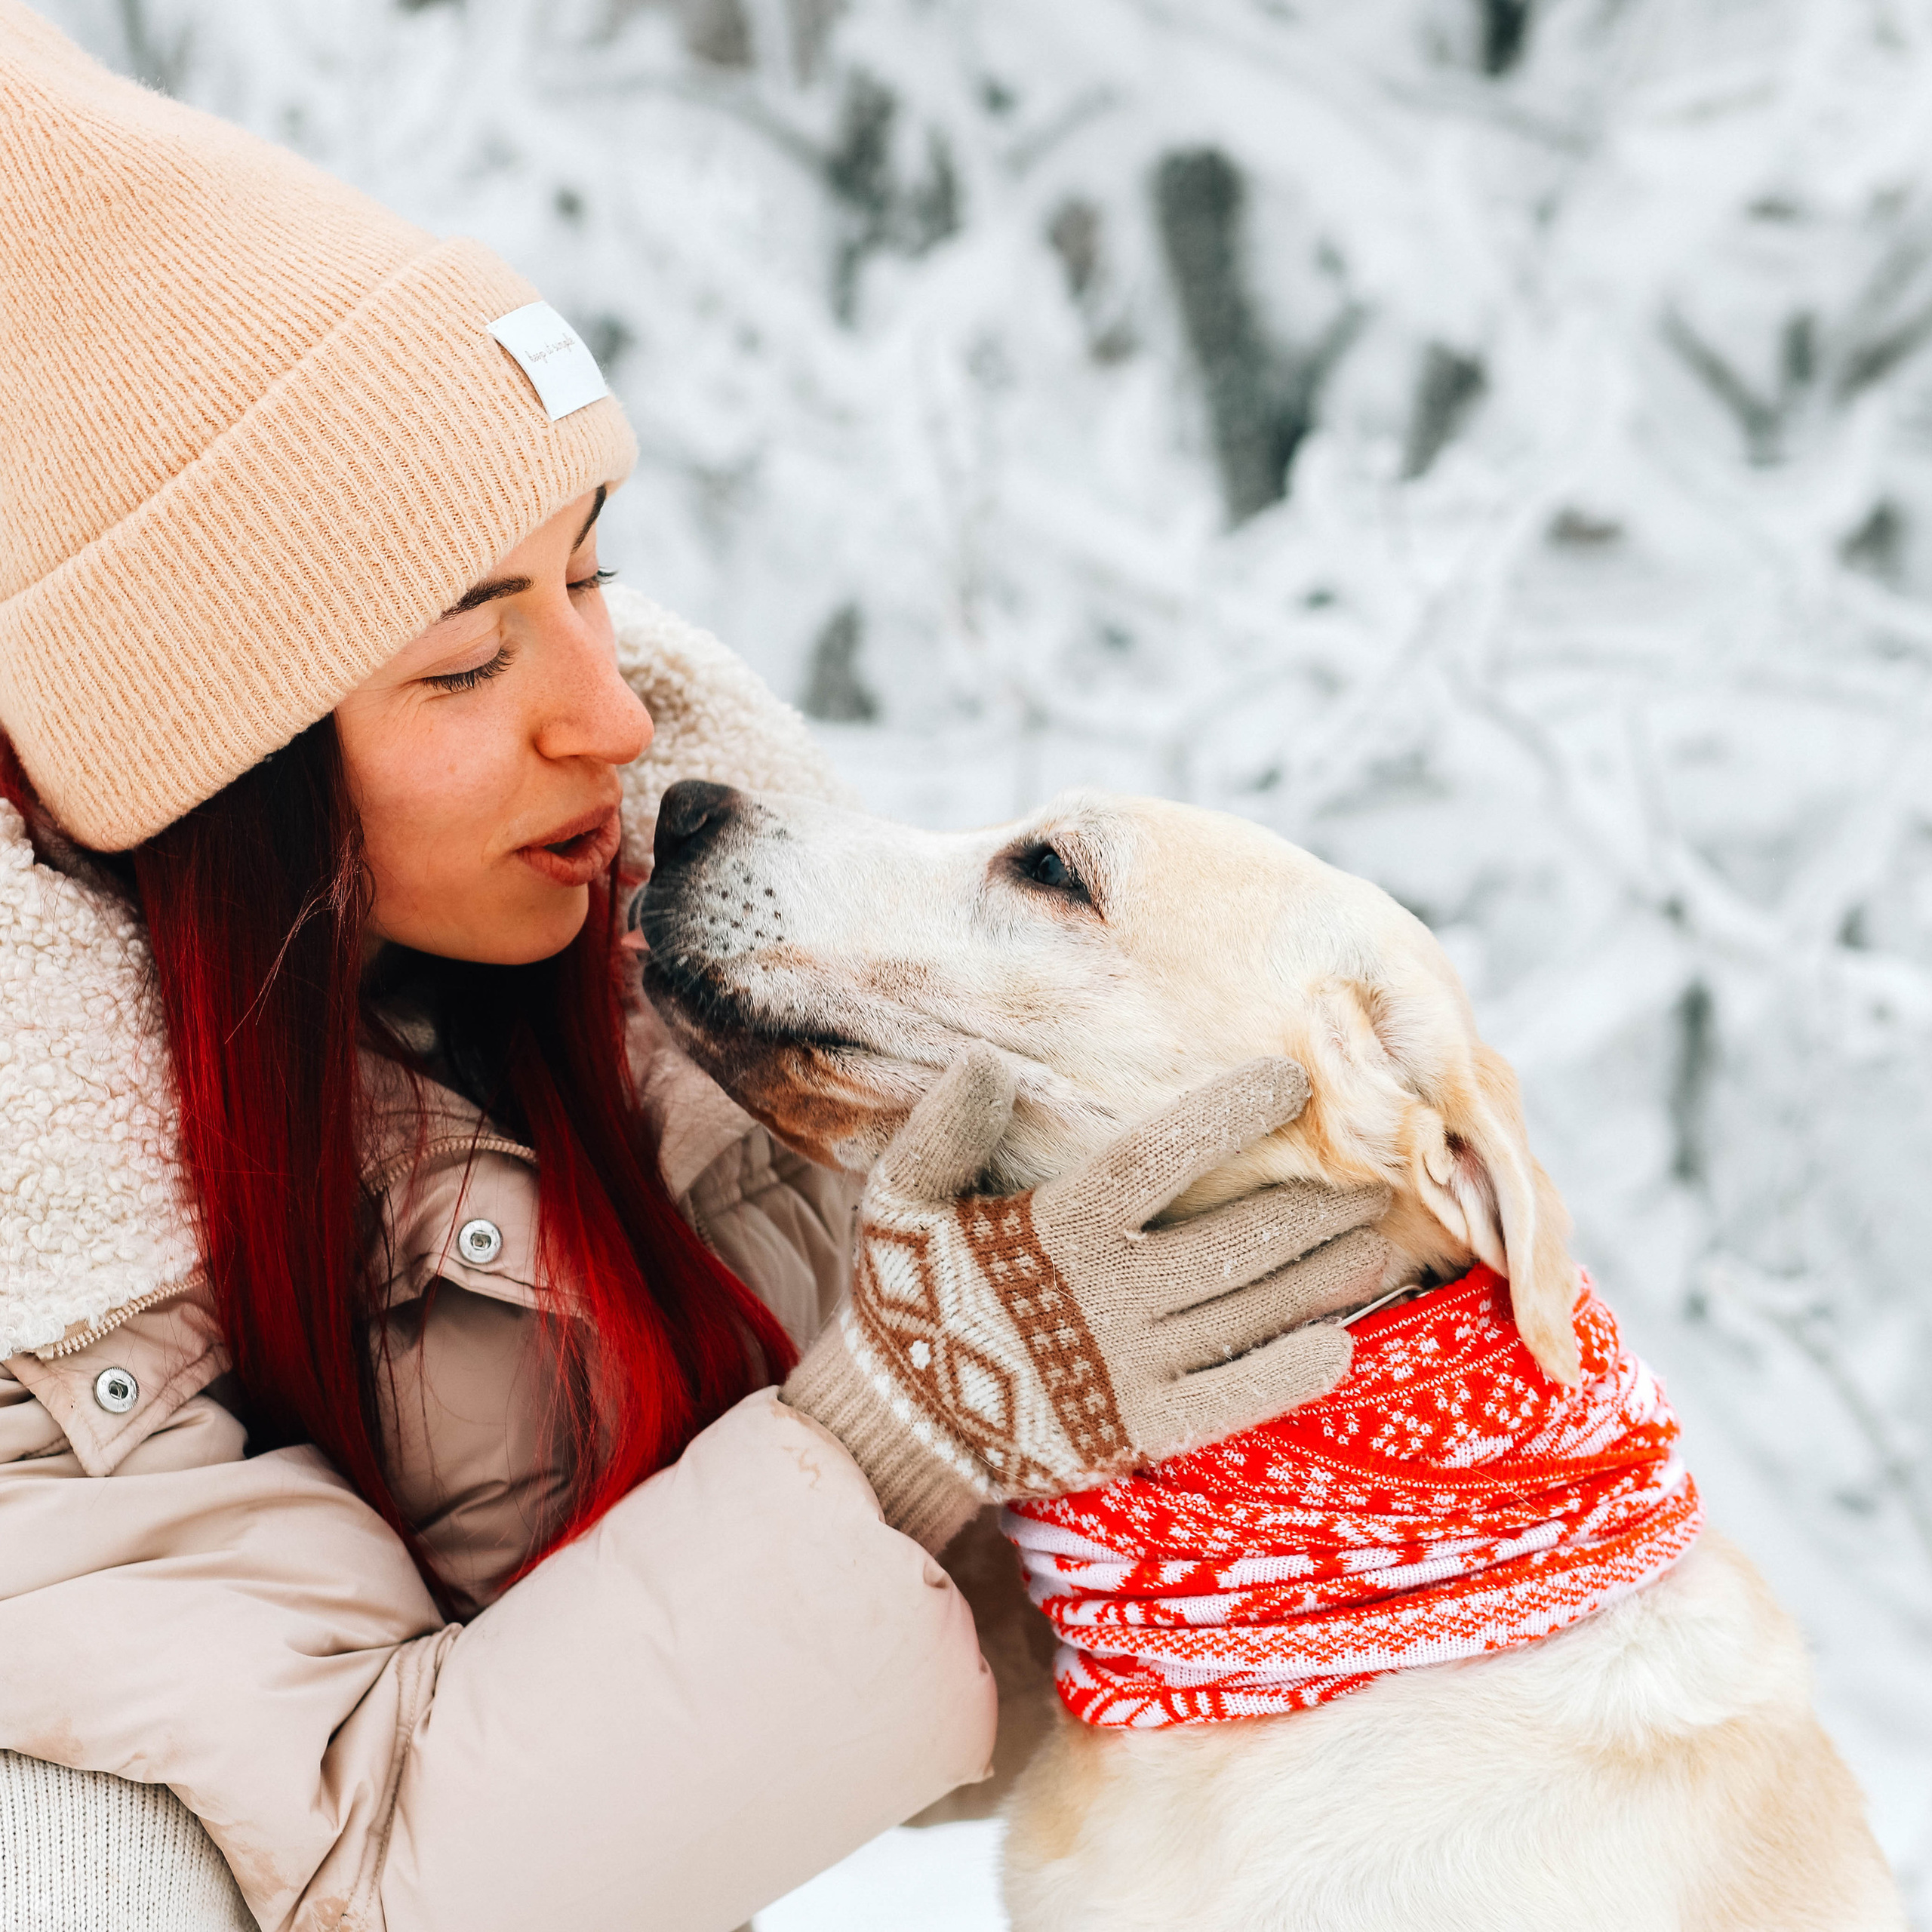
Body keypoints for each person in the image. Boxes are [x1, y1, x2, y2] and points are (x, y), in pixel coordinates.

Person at [0, 8, 1391, 1929]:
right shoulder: (39, 1270)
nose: (613, 719)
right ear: (215, 773)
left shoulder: (618, 978)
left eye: (589, 573)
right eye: (467, 657)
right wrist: (923, 1403)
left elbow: (981, 1659)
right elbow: (385, 1870)